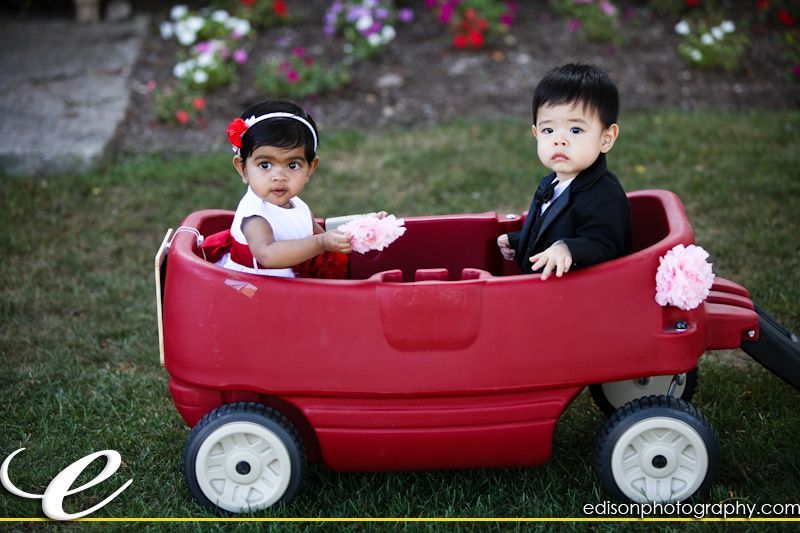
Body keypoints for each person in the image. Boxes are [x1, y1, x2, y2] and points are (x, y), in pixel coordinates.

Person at [497, 63, 631, 280]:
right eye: (548, 130)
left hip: (580, 294)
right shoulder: (553, 182)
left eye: (575, 130)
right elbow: (548, 228)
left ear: (606, 138)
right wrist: (517, 240)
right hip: (538, 288)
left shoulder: (604, 195)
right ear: (536, 134)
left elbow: (605, 244)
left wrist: (568, 249)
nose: (559, 140)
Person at [202, 100, 353, 277]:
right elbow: (267, 255)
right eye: (265, 165)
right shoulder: (255, 215)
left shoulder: (298, 205)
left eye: (293, 165)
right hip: (255, 286)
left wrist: (358, 232)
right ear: (243, 168)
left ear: (310, 168)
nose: (279, 176)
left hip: (292, 282)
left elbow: (319, 235)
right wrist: (321, 243)